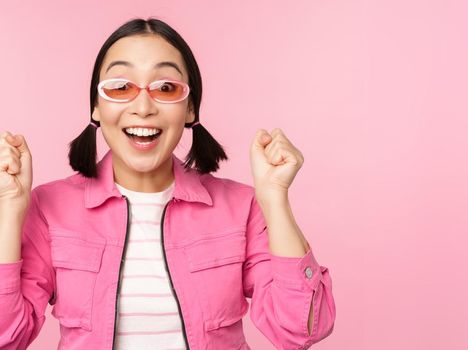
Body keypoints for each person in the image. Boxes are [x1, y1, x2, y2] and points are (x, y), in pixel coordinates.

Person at [0, 17, 335, 350]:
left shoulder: (242, 207)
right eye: (120, 87)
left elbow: (299, 330)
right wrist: (9, 212)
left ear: (190, 108)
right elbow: (7, 337)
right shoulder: (49, 208)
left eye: (166, 88)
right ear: (96, 107)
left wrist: (275, 199)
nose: (143, 107)